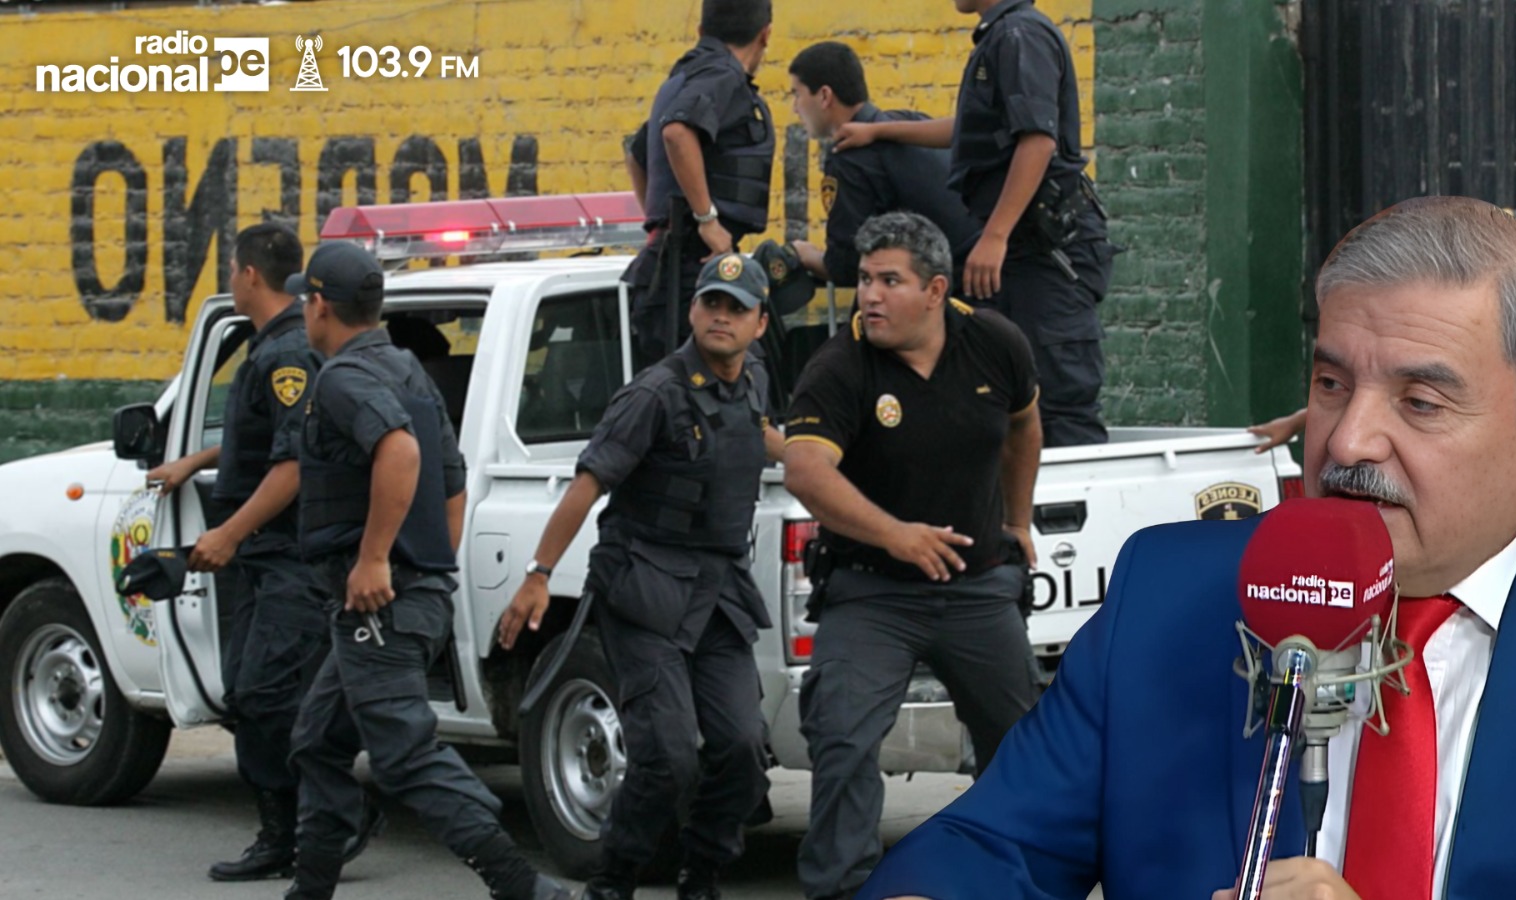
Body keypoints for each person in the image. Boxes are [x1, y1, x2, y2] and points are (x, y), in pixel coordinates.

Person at [859, 196, 1516, 899]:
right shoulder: (1172, 596)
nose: (1345, 439)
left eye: (1421, 403)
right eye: (1332, 382)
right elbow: (993, 847)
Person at [284, 242, 571, 900]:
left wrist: (378, 559)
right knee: (318, 739)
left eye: (307, 300)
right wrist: (430, 572)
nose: (305, 311)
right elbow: (453, 483)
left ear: (321, 305)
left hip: (377, 606)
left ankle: (521, 886)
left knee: (405, 755)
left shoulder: (341, 378)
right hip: (402, 601)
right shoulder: (412, 372)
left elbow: (400, 449)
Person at [499, 252, 783, 900]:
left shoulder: (754, 379)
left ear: (760, 324)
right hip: (646, 589)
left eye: (736, 308)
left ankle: (701, 874)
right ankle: (614, 881)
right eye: (711, 303)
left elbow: (758, 431)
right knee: (668, 755)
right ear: (692, 310)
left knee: (742, 749)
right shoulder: (653, 394)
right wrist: (540, 572)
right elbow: (588, 483)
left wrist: (821, 464)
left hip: (718, 594)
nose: (721, 316)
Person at [782, 212, 1043, 900]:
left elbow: (1024, 422)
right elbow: (806, 471)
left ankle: (1011, 880)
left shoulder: (995, 343)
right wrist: (895, 533)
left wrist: (1018, 519)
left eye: (888, 281)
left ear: (933, 290)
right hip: (872, 593)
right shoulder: (839, 365)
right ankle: (844, 889)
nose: (869, 295)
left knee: (1023, 745)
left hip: (977, 585)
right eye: (864, 279)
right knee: (841, 741)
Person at [145, 223, 382, 881]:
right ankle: (286, 835)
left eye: (230, 270)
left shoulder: (285, 356)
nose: (229, 279)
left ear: (249, 275)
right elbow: (276, 438)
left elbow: (295, 462)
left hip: (286, 556)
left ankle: (332, 817)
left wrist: (229, 533)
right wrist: (197, 458)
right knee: (265, 694)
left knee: (264, 691)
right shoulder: (274, 347)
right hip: (268, 555)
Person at [833, 0, 1114, 448]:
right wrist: (879, 131)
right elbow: (967, 129)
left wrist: (995, 236)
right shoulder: (1002, 37)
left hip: (1045, 254)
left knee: (1059, 404)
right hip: (1021, 254)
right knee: (1005, 395)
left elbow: (1037, 141)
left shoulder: (1019, 36)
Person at [622, 0, 775, 370]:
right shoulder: (723, 75)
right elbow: (677, 133)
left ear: (701, 31)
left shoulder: (682, 77)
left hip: (674, 260)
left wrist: (662, 222)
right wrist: (705, 220)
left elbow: (636, 151)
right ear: (765, 35)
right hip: (692, 267)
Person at [784, 41, 983, 290]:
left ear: (824, 96)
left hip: (954, 293)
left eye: (797, 94)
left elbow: (845, 266)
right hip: (990, 274)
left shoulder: (849, 158)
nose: (795, 108)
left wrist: (806, 255)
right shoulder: (908, 123)